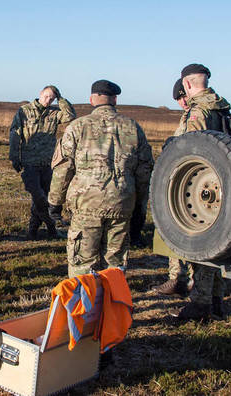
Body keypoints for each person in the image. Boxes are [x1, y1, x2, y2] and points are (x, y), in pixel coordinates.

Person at [48, 80, 154, 278]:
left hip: (86, 205)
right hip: (122, 204)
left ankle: (85, 307)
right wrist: (140, 206)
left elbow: (63, 170)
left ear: (91, 100)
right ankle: (112, 306)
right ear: (114, 99)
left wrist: (54, 202)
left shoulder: (77, 127)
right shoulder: (132, 127)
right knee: (114, 267)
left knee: (83, 265)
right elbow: (144, 172)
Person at [170, 63, 231, 320]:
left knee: (201, 245)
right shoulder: (222, 108)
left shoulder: (198, 112)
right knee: (216, 245)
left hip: (202, 189)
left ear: (186, 84)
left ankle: (200, 304)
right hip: (222, 184)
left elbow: (190, 152)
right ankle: (215, 300)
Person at [9, 85, 76, 239]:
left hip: (47, 163)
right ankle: (52, 228)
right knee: (39, 198)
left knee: (43, 197)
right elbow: (15, 134)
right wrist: (14, 157)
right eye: (46, 96)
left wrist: (61, 99)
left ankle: (32, 231)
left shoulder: (54, 113)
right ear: (40, 94)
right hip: (29, 162)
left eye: (51, 98)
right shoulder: (24, 111)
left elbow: (70, 116)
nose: (48, 100)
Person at [151, 78, 194, 297]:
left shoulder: (199, 115)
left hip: (193, 184)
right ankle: (178, 278)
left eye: (182, 97)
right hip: (185, 182)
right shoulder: (188, 116)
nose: (181, 102)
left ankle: (188, 283)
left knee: (185, 235)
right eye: (178, 99)